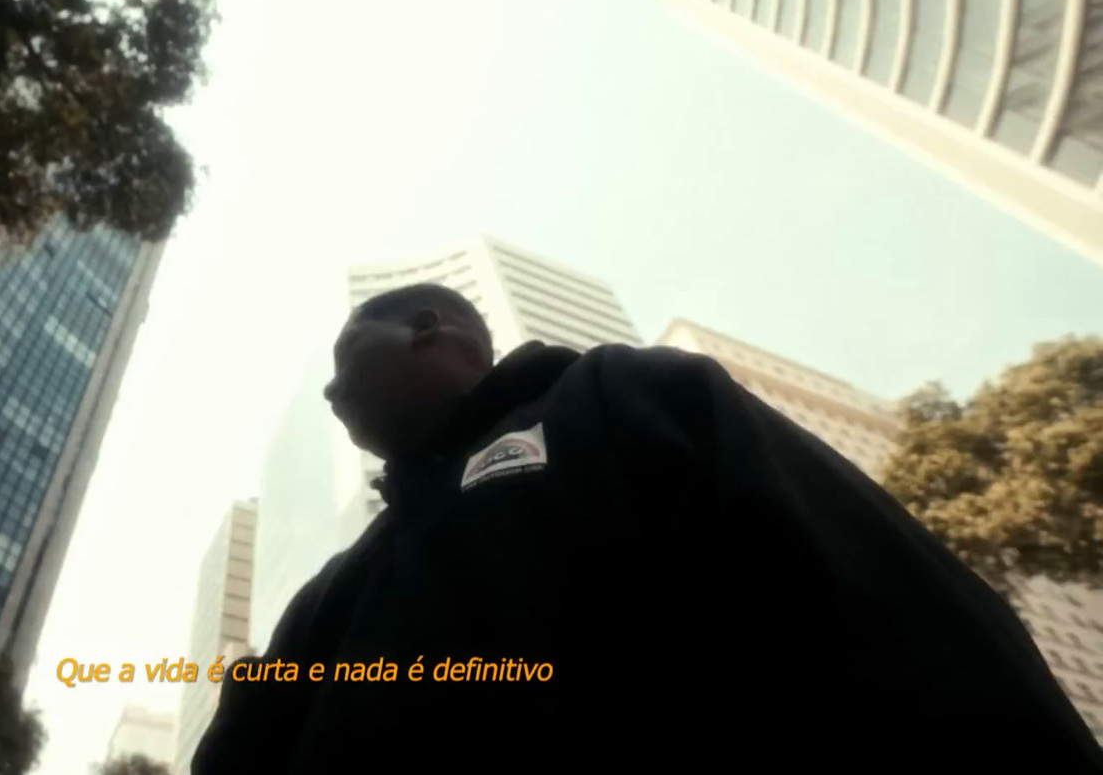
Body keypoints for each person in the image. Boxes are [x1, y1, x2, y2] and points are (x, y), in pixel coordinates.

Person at [191, 283, 1103, 774]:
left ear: (428, 327)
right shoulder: (333, 591)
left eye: (347, 356)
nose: (329, 390)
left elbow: (890, 601)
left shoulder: (622, 393)